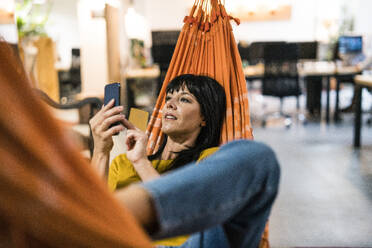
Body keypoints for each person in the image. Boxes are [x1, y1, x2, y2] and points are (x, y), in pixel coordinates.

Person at [0, 40, 280, 248]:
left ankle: (92, 219)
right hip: (111, 238)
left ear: (205, 118)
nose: (169, 103)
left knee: (256, 158)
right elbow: (97, 199)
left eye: (184, 99)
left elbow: (198, 229)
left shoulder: (209, 161)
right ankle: (92, 221)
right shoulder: (122, 161)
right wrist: (101, 149)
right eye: (169, 97)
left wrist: (142, 163)